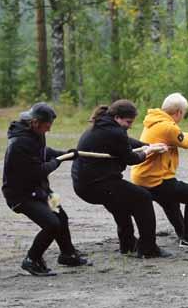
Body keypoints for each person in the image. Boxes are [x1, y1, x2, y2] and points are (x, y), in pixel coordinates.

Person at [71, 99, 171, 259]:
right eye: (128, 122)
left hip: (85, 183)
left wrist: (147, 145)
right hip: (95, 184)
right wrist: (149, 151)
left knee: (121, 205)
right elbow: (131, 158)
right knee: (143, 197)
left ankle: (128, 244)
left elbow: (127, 143)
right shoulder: (114, 132)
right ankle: (148, 248)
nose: (130, 125)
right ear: (117, 117)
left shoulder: (104, 125)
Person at [2, 102, 89, 276]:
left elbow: (43, 152)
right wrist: (57, 161)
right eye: (46, 126)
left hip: (40, 190)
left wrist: (65, 154)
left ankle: (68, 255)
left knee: (61, 217)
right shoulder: (19, 143)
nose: (49, 130)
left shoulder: (35, 134)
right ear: (35, 122)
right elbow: (38, 171)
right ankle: (31, 259)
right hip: (21, 195)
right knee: (51, 224)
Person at [131, 93, 188, 248]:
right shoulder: (168, 127)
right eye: (183, 113)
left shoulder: (157, 121)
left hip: (143, 176)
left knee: (170, 202)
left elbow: (182, 136)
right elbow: (186, 142)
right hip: (154, 179)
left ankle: (184, 234)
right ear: (178, 112)